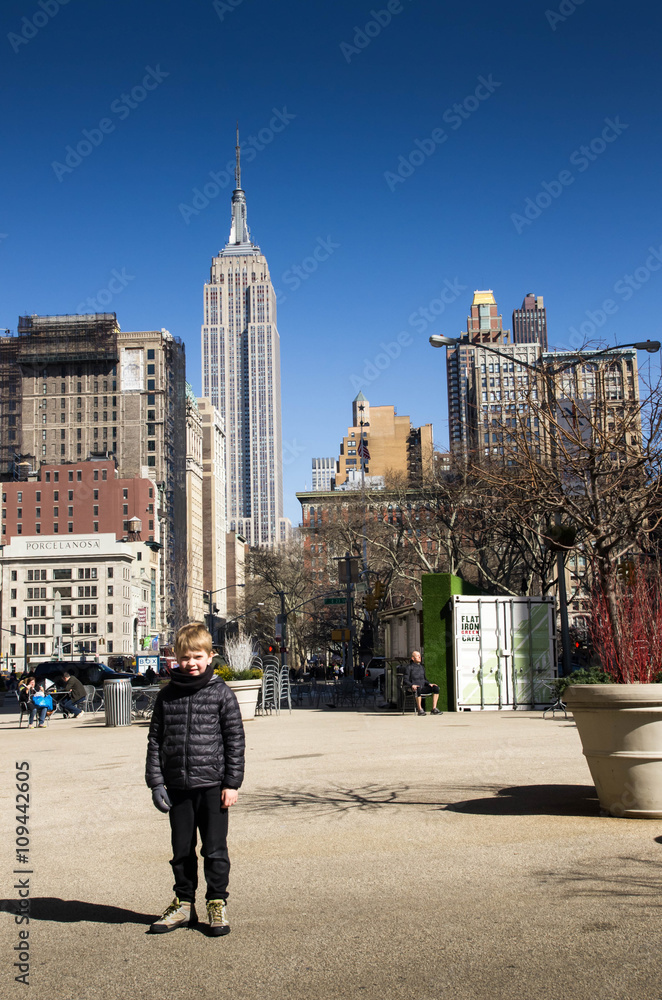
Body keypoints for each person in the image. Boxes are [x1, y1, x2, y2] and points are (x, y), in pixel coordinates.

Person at [145, 622, 245, 936]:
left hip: (213, 786)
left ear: (210, 656)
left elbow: (235, 740)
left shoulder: (221, 693)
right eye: (185, 657)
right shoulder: (166, 697)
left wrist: (232, 783)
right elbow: (155, 741)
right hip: (177, 788)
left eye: (197, 656)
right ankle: (183, 904)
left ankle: (217, 903)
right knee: (181, 850)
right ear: (175, 657)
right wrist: (156, 782)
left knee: (215, 850)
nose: (191, 663)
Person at [403, 650, 442, 716]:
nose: (419, 657)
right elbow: (405, 680)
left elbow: (424, 680)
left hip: (422, 687)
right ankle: (420, 709)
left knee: (436, 688)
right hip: (413, 689)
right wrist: (412, 685)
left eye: (420, 656)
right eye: (417, 656)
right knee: (417, 689)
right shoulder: (409, 667)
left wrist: (429, 684)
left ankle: (434, 709)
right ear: (413, 658)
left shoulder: (421, 667)